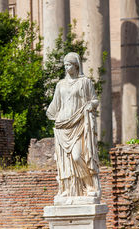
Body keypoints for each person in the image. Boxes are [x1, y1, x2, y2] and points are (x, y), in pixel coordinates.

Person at [46, 52, 101, 198]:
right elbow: (55, 105)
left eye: (69, 64)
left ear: (76, 65)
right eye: (65, 65)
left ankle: (89, 184)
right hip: (63, 125)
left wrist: (90, 105)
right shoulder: (60, 85)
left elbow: (95, 100)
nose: (66, 67)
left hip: (79, 123)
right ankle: (67, 189)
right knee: (64, 161)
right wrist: (51, 115)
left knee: (77, 156)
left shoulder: (85, 82)